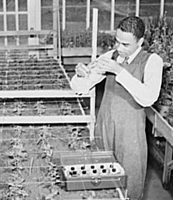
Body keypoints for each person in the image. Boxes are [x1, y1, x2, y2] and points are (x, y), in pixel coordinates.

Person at [70, 16, 163, 200]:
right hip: (104, 128)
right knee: (100, 180)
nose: (119, 48)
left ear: (140, 42)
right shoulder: (110, 57)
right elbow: (80, 88)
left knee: (130, 185)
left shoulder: (152, 61)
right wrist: (81, 75)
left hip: (131, 136)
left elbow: (148, 98)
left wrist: (119, 71)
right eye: (117, 41)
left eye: (125, 44)